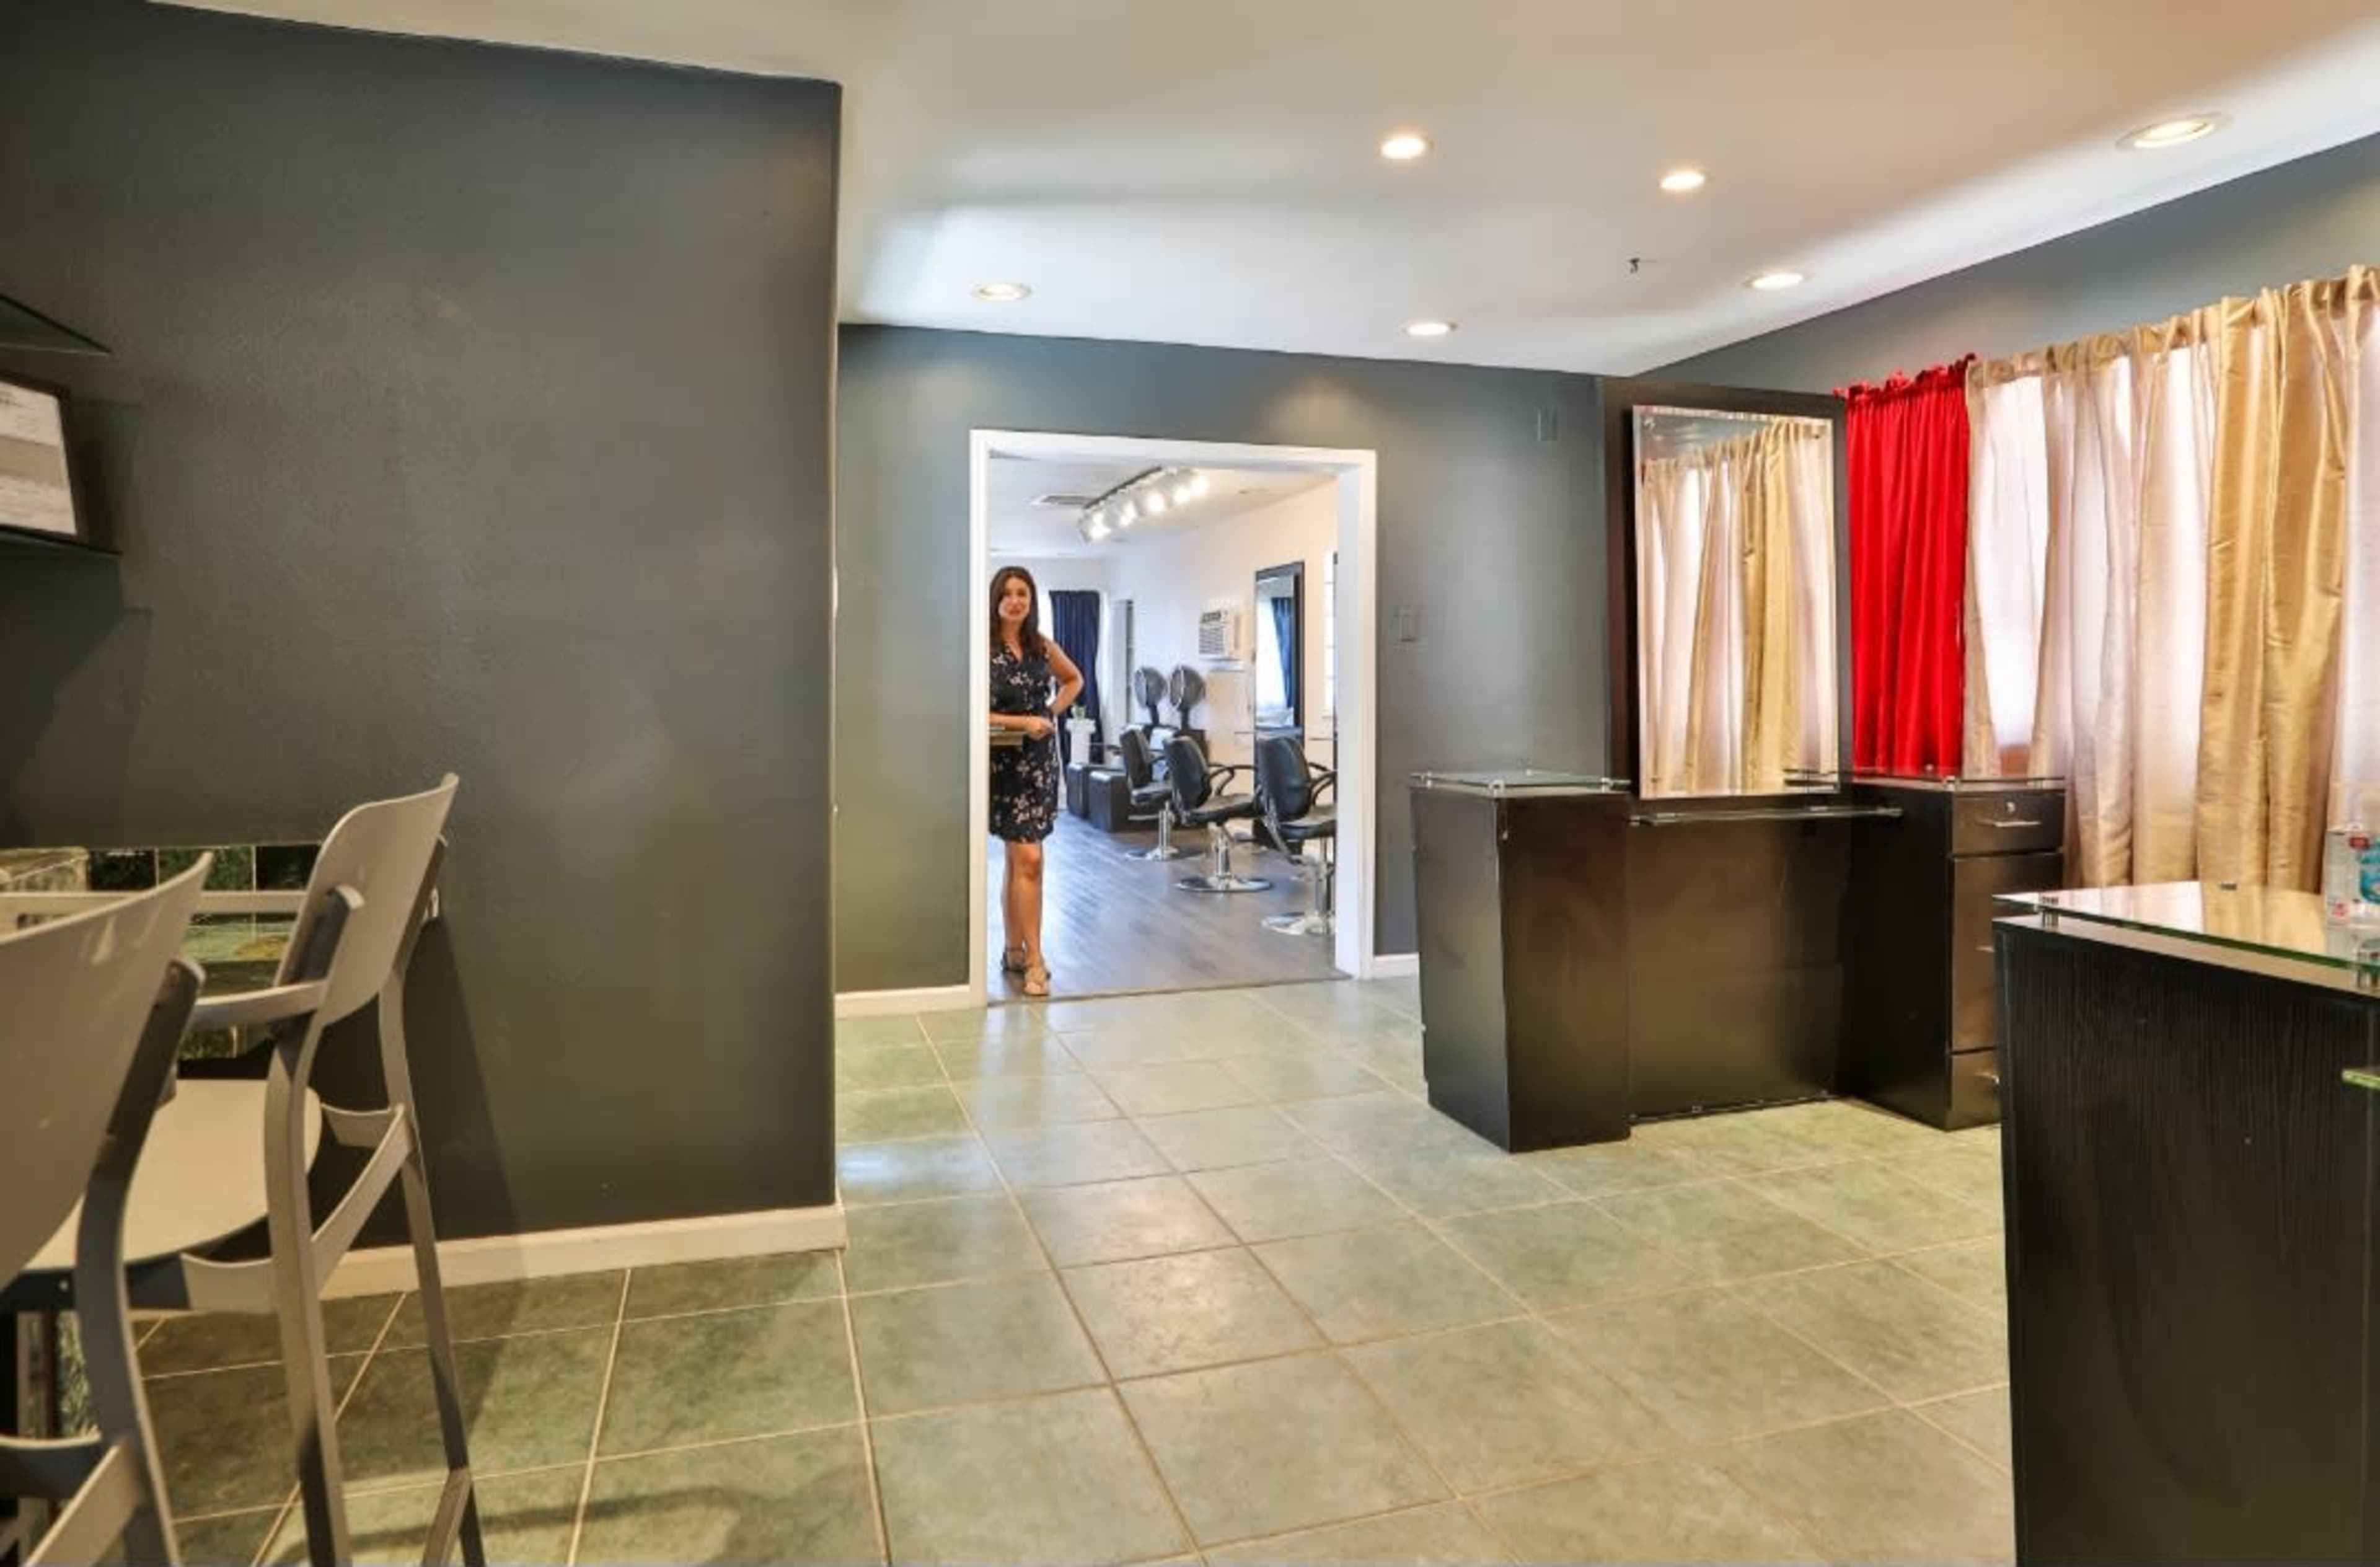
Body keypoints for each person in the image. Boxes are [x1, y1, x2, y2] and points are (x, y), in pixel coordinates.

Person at [987, 565, 1082, 997]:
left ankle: (1017, 950)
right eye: (1007, 593)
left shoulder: (1042, 646)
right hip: (1000, 763)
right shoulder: (983, 649)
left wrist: (1050, 713)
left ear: (1031, 600)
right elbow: (972, 708)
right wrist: (1023, 722)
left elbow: (1074, 679)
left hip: (1039, 762)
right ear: (996, 600)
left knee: (1022, 860)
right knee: (1026, 859)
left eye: (1022, 593)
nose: (1015, 601)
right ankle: (1034, 959)